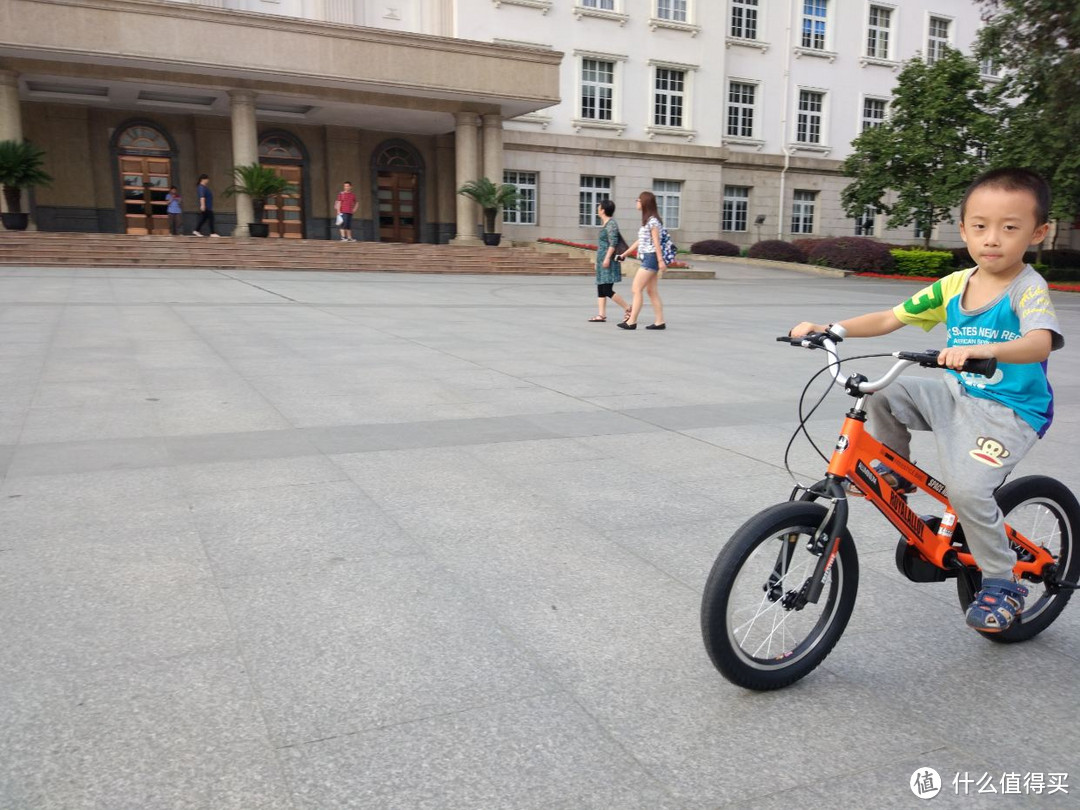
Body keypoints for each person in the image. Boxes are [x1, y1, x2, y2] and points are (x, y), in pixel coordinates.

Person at [789, 167, 1063, 634]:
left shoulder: (1027, 288)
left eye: (1009, 227)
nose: (992, 239)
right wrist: (833, 329)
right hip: (959, 392)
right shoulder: (955, 285)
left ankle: (1002, 582)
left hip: (1009, 411)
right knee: (882, 389)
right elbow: (891, 318)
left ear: (1038, 233)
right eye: (980, 226)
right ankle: (895, 466)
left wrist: (984, 349)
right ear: (963, 229)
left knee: (968, 490)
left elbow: (1040, 341)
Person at [617, 191, 667, 330]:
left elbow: (656, 242)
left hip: (651, 258)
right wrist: (625, 254)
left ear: (644, 203)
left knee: (636, 289)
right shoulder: (648, 221)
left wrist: (660, 260)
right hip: (649, 257)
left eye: (638, 200)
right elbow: (640, 241)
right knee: (651, 291)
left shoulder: (653, 221)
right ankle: (659, 321)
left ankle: (631, 321)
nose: (636, 202)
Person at [590, 199, 631, 322]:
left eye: (599, 207)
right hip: (602, 260)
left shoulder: (611, 224)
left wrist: (607, 258)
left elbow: (613, 244)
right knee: (600, 287)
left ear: (603, 210)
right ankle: (601, 315)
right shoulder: (606, 223)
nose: (597, 208)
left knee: (607, 289)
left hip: (609, 261)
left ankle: (628, 308)